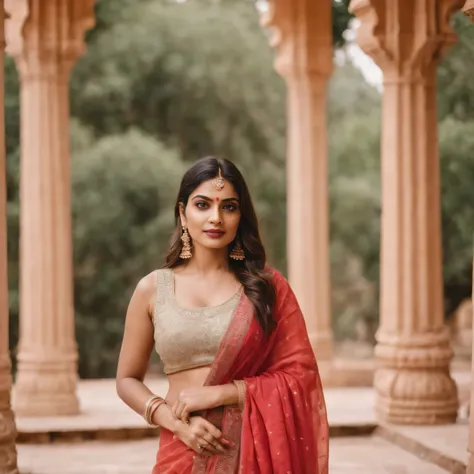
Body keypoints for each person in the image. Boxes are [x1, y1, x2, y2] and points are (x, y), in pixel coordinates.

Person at [116, 156, 329, 474]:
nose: (216, 218)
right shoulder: (152, 289)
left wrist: (223, 393)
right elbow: (126, 380)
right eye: (202, 205)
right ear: (182, 213)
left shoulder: (267, 288)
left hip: (250, 449)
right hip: (181, 447)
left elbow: (300, 376)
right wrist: (174, 423)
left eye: (228, 207)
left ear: (241, 216)